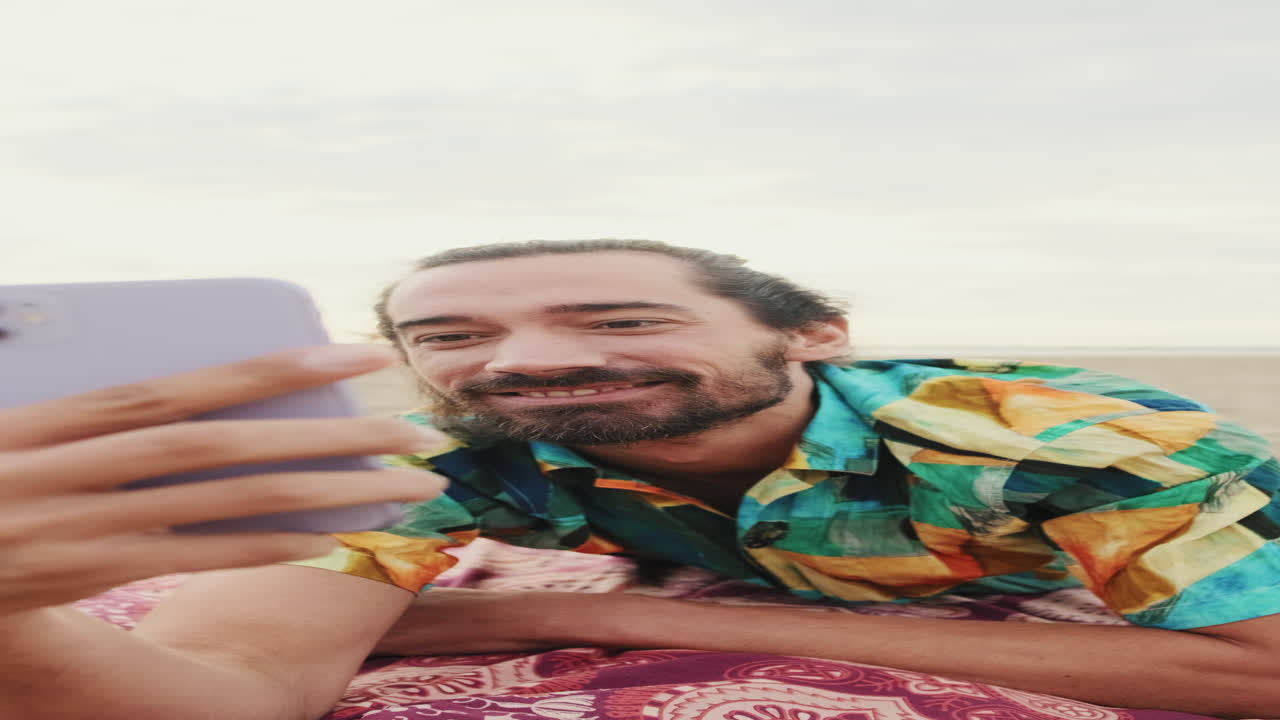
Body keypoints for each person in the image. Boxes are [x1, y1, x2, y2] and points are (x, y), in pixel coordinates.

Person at [2, 240, 1278, 719]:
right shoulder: (433, 464)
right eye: (450, 337)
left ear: (811, 332)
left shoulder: (1056, 441)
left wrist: (588, 608)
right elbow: (222, 694)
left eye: (615, 318)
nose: (531, 360)